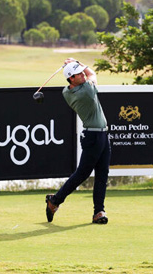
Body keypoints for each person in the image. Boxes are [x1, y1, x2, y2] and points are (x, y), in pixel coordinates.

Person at [45, 58, 111, 224]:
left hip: (102, 135)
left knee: (102, 174)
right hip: (93, 137)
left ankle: (99, 212)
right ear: (71, 79)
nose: (82, 74)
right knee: (82, 174)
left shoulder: (66, 91)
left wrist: (72, 64)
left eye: (80, 72)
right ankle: (55, 200)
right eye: (77, 74)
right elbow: (92, 73)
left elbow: (84, 76)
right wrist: (79, 62)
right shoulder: (86, 91)